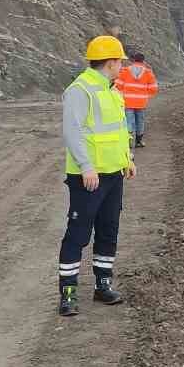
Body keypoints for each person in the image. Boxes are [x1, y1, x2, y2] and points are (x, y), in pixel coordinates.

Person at [58, 36, 135, 317]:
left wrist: (128, 159)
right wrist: (86, 167)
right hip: (89, 177)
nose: (122, 67)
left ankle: (103, 285)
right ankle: (68, 294)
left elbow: (118, 129)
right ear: (111, 62)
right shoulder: (81, 90)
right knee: (78, 234)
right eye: (120, 62)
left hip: (114, 174)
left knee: (108, 230)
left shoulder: (112, 90)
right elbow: (72, 132)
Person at [113, 50, 159, 149]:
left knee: (129, 121)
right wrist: (146, 95)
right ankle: (139, 142)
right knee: (140, 121)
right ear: (143, 60)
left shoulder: (125, 71)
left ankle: (128, 141)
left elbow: (118, 85)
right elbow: (154, 88)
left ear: (133, 60)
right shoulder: (148, 72)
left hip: (128, 101)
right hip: (141, 102)